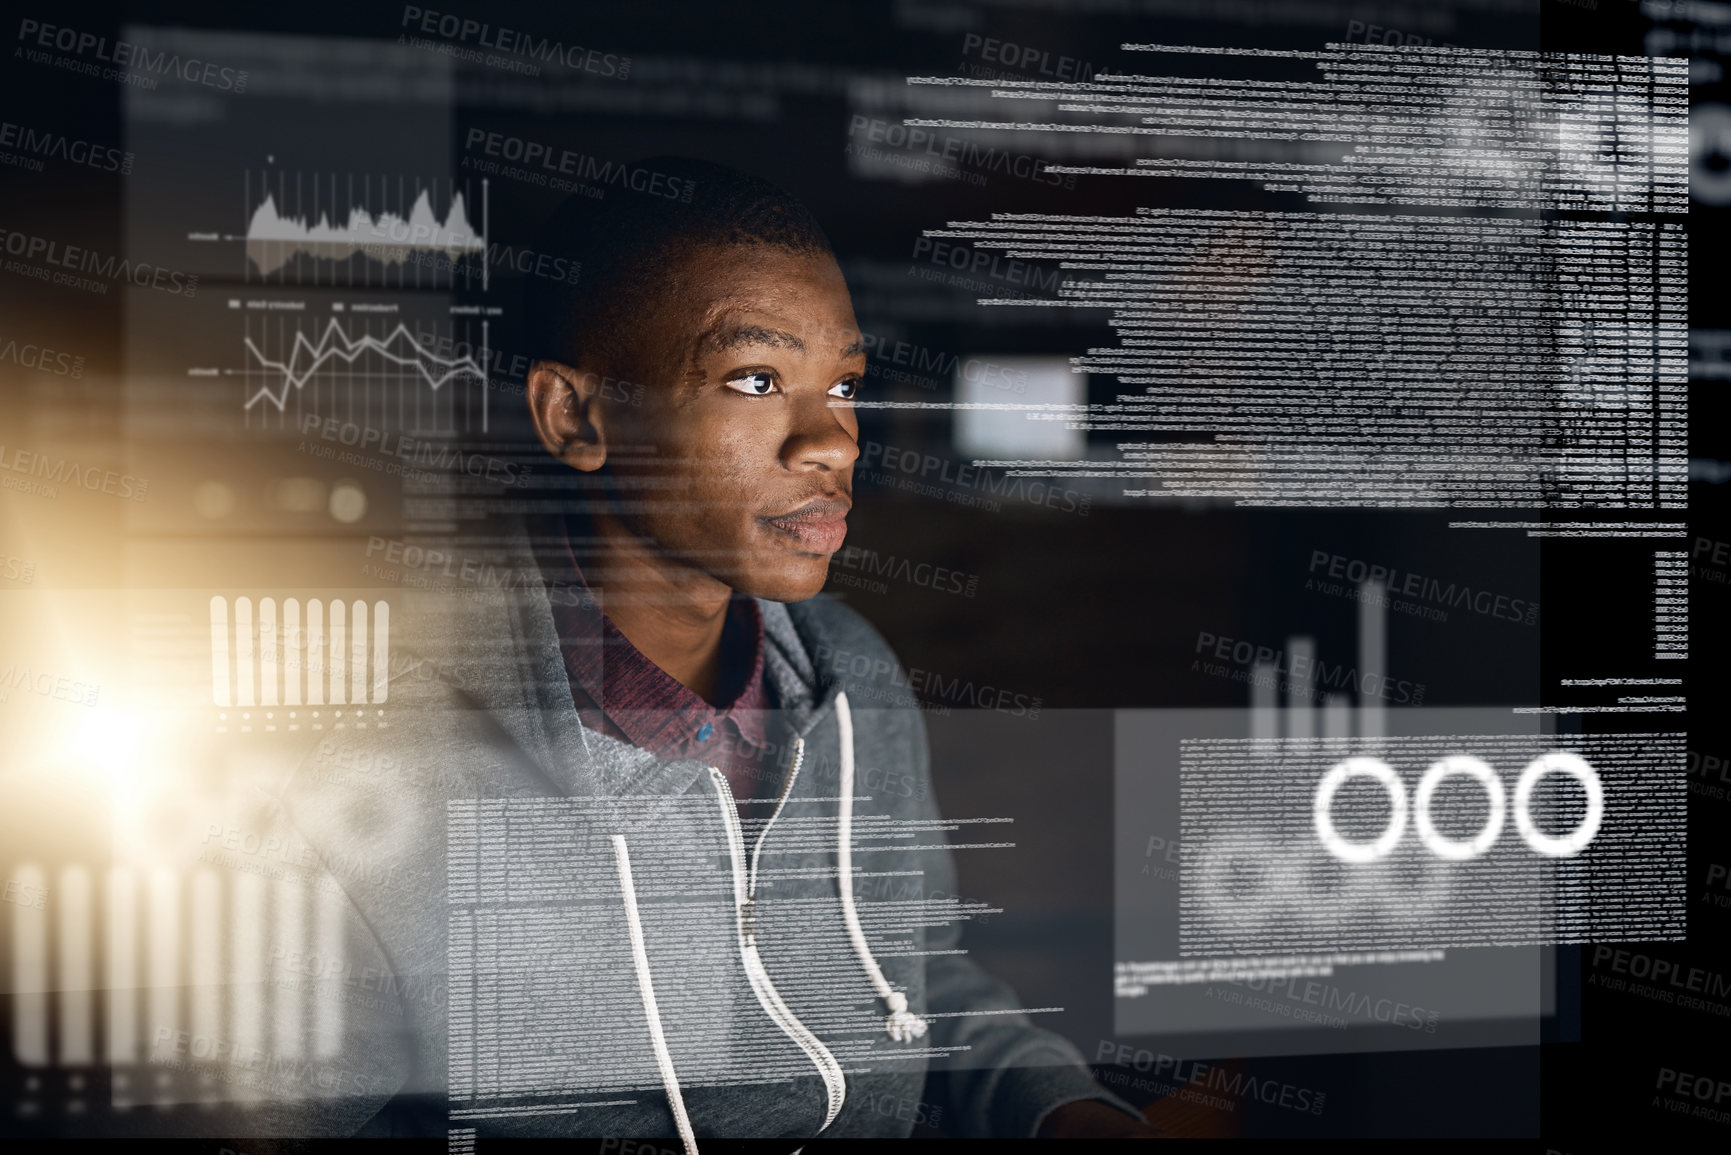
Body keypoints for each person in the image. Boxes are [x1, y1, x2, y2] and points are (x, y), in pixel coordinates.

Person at [252, 158, 1156, 1145]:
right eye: (756, 379)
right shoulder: (375, 756)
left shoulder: (849, 673)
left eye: (844, 383)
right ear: (578, 419)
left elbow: (919, 974)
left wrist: (1064, 1112)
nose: (833, 440)